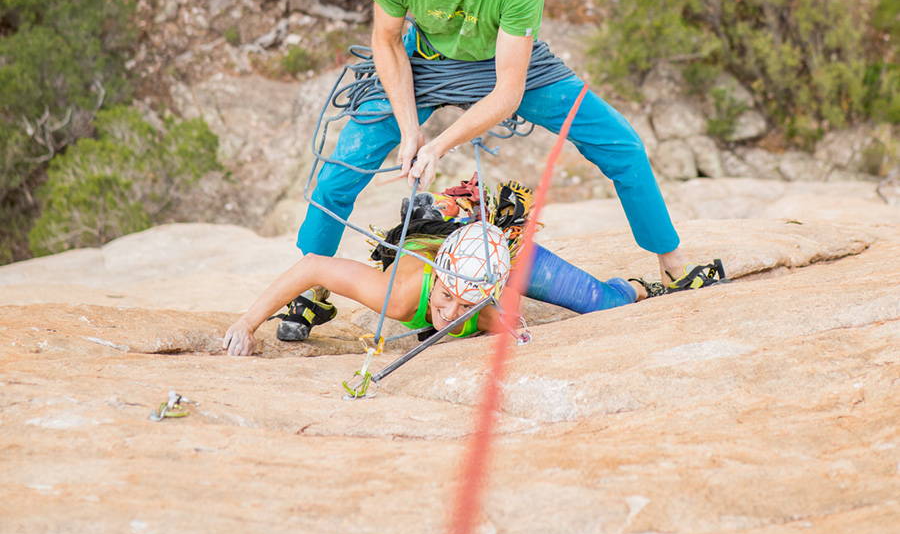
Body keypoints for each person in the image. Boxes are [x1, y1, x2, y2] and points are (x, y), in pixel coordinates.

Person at [283, 0, 722, 338]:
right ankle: (311, 288)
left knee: (622, 146)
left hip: (510, 64)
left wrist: (437, 146)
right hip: (427, 63)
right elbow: (388, 44)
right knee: (343, 165)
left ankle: (672, 266)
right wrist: (411, 130)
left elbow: (507, 92)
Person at [223, 180, 668, 357]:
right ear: (436, 283)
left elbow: (498, 317)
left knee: (605, 304)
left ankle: (635, 286)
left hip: (498, 258)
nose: (450, 312)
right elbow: (313, 266)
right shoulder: (399, 295)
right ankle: (430, 210)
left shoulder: (482, 305)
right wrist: (247, 322)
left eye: (463, 306)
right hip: (449, 249)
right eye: (446, 298)